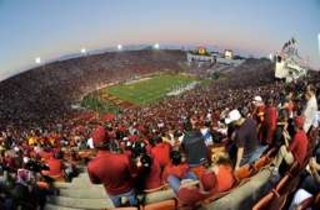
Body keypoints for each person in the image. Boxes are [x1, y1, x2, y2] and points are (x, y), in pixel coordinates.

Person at [87, 126, 138, 207]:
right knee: (135, 206)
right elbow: (134, 174)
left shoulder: (91, 165)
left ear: (93, 144)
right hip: (128, 189)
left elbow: (95, 182)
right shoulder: (124, 158)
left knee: (118, 207)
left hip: (111, 191)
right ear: (110, 141)